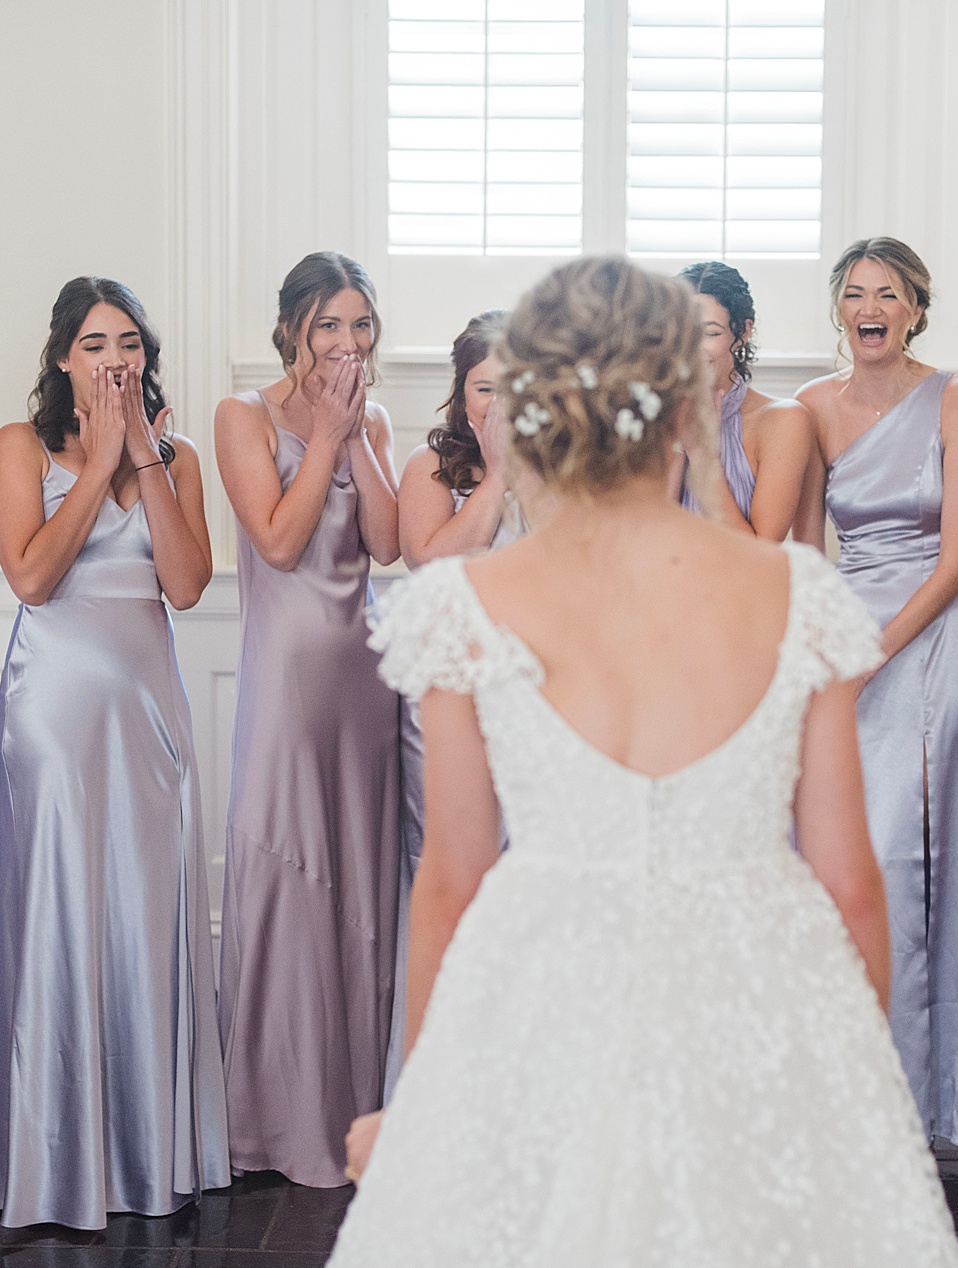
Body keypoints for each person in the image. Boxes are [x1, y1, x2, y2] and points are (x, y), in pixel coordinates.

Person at [327, 256, 958, 1266]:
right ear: (685, 402)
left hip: (539, 995)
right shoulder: (793, 593)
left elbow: (448, 882)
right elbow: (850, 881)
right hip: (755, 999)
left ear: (533, 407)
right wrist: (848, 1090)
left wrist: (425, 1110)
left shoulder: (466, 603)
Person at [0, 277, 229, 1229]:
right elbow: (33, 577)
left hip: (151, 715)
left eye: (127, 341)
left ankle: (146, 1151)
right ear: (61, 358)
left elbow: (188, 584)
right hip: (53, 712)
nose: (113, 357)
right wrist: (97, 462)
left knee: (143, 917)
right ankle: (59, 1167)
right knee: (66, 916)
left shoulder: (180, 457)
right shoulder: (21, 447)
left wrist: (147, 460)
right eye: (93, 343)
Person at [214, 250, 402, 1187]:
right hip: (286, 682)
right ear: (292, 328)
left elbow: (389, 542)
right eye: (329, 324)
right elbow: (280, 542)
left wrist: (358, 434)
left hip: (364, 684)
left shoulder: (371, 417)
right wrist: (324, 434)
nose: (346, 341)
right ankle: (274, 1123)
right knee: (290, 880)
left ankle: (355, 1118)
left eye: (361, 324)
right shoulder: (242, 416)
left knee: (362, 900)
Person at [798, 237, 958, 1147]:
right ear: (838, 307)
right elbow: (801, 551)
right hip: (840, 640)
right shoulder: (812, 408)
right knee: (835, 866)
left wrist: (875, 652)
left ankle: (914, 1100)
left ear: (917, 306)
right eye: (854, 293)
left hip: (924, 641)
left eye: (889, 294)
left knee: (907, 859)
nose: (869, 308)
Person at [385, 309, 524, 1097]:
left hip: (534, 704)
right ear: (460, 389)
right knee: (453, 882)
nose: (498, 402)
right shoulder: (429, 468)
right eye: (484, 387)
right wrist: (499, 475)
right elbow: (430, 560)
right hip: (450, 710)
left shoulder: (565, 470)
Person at [674, 261, 823, 544]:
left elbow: (761, 553)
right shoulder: (650, 415)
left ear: (742, 333)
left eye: (711, 333)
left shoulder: (783, 420)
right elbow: (647, 537)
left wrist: (701, 453)